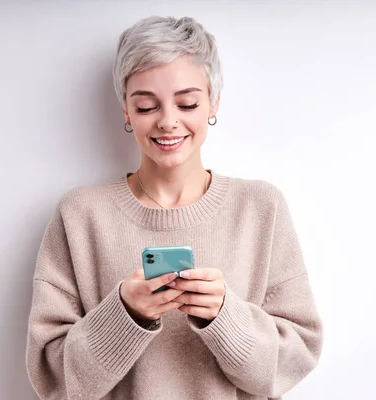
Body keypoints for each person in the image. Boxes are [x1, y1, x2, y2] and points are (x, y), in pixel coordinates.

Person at [26, 15, 323, 400]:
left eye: (187, 103)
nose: (168, 122)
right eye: (147, 106)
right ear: (126, 112)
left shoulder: (261, 208)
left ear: (213, 102)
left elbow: (295, 359)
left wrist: (224, 316)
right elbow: (53, 378)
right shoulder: (79, 215)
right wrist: (125, 314)